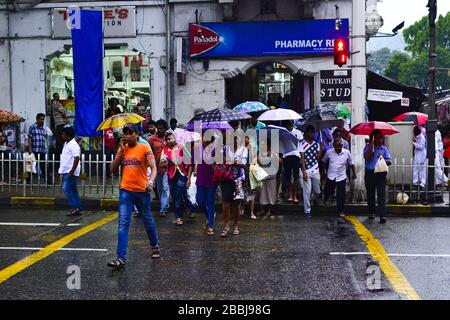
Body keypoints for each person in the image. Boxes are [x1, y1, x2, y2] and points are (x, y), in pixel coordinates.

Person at [108, 123, 160, 268]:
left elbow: (153, 167)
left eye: (131, 133)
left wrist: (151, 181)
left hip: (142, 192)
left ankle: (154, 245)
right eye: (126, 133)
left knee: (147, 220)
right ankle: (121, 257)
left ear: (137, 134)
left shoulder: (144, 147)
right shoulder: (122, 149)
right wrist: (121, 152)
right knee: (123, 223)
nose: (128, 135)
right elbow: (112, 169)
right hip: (126, 191)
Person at [220, 135, 247, 237]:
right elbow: (219, 159)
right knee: (225, 203)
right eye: (233, 138)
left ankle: (236, 226)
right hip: (225, 178)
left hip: (238, 179)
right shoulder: (225, 148)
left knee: (236, 203)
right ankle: (226, 226)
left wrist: (232, 161)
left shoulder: (244, 149)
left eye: (237, 138)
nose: (235, 140)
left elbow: (243, 164)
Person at [162, 133, 192, 226]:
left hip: (182, 175)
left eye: (172, 138)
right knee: (174, 196)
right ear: (166, 141)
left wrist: (189, 178)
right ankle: (182, 213)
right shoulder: (165, 150)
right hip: (171, 176)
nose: (171, 140)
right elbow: (161, 166)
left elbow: (190, 163)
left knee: (178, 195)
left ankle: (179, 217)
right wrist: (164, 163)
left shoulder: (181, 147)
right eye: (168, 139)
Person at [322, 138, 356, 217]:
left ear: (342, 145)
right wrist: (323, 171)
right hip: (331, 175)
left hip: (341, 176)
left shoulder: (346, 153)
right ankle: (326, 197)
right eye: (337, 146)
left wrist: (354, 173)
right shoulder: (329, 152)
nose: (338, 148)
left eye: (340, 146)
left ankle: (341, 210)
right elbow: (324, 161)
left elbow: (351, 163)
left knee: (341, 194)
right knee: (329, 189)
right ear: (333, 146)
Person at [364, 129, 392, 223]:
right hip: (370, 173)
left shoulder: (384, 149)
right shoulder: (367, 147)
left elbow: (389, 161)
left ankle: (382, 215)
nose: (380, 139)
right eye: (378, 137)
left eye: (381, 137)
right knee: (370, 194)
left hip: (381, 173)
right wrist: (371, 145)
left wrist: (382, 158)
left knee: (381, 194)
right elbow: (367, 157)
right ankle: (371, 212)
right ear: (373, 138)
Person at [192, 136, 218, 236]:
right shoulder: (197, 149)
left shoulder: (215, 148)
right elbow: (192, 163)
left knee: (210, 202)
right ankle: (208, 217)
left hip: (212, 179)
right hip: (201, 179)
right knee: (200, 201)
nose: (205, 140)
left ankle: (210, 225)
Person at [300, 125, 323, 218]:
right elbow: (302, 158)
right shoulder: (301, 144)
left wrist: (321, 148)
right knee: (307, 191)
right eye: (311, 132)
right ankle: (307, 211)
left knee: (317, 191)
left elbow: (318, 158)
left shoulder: (316, 144)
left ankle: (313, 199)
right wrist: (304, 171)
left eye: (313, 132)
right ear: (306, 133)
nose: (312, 134)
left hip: (316, 170)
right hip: (307, 170)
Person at [148, 119, 170, 217]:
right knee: (160, 189)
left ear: (165, 129)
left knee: (165, 187)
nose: (160, 130)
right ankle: (165, 204)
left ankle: (163, 209)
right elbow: (149, 153)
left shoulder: (169, 138)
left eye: (162, 128)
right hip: (156, 167)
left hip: (168, 168)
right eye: (158, 128)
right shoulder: (152, 139)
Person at [58, 126, 82, 217]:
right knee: (73, 189)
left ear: (67, 135)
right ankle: (78, 207)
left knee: (66, 188)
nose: (61, 135)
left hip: (71, 171)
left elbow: (76, 158)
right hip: (67, 170)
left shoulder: (73, 145)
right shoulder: (66, 143)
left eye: (63, 134)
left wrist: (72, 170)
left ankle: (74, 207)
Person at [282, 120, 303, 203]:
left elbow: (301, 145)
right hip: (286, 155)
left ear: (293, 124)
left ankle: (295, 195)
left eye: (290, 123)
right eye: (288, 124)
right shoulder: (283, 132)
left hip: (296, 155)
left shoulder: (298, 132)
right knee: (288, 177)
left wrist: (301, 157)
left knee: (296, 177)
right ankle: (290, 194)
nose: (289, 125)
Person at [258, 141, 280, 217]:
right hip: (262, 175)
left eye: (263, 144)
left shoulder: (273, 153)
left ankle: (269, 210)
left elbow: (280, 161)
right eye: (260, 144)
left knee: (271, 193)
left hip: (271, 175)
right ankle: (262, 209)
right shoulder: (259, 153)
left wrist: (273, 155)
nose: (261, 146)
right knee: (262, 193)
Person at [28, 113, 51, 182]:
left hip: (41, 150)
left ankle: (48, 181)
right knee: (30, 166)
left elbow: (44, 138)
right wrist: (30, 148)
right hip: (34, 150)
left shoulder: (42, 129)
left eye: (43, 119)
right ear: (37, 119)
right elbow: (29, 138)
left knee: (44, 166)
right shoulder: (32, 127)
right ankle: (27, 181)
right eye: (41, 119)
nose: (42, 121)